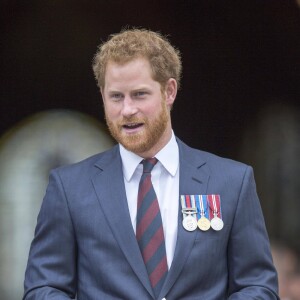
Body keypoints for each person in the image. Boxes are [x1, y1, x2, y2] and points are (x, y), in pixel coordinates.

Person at [23, 28, 279, 299]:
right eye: (116, 96)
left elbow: (258, 286)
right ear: (102, 95)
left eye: (140, 94)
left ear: (169, 92)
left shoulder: (231, 182)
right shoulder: (69, 188)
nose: (127, 110)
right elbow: (44, 288)